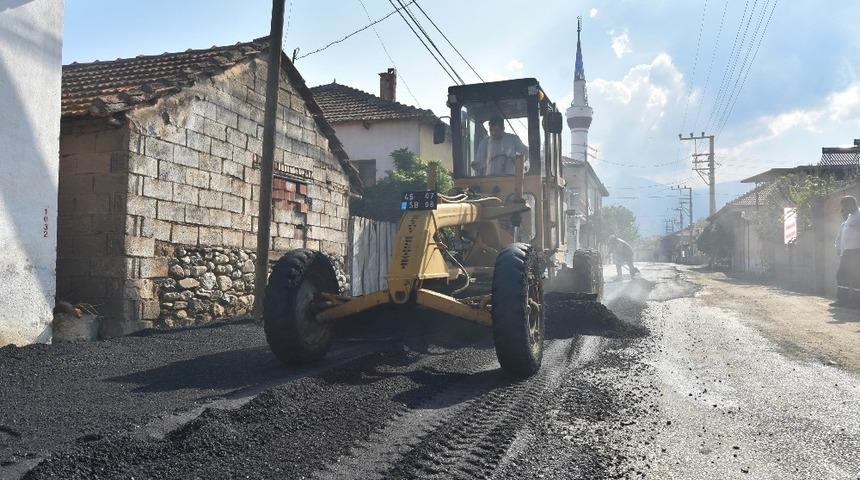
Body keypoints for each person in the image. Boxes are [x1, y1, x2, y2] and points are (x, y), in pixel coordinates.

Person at [834, 195, 860, 307]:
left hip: (857, 251)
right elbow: (843, 235)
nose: (844, 209)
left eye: (845, 206)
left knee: (856, 276)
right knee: (841, 275)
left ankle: (856, 302)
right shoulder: (850, 217)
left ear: (852, 204)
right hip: (847, 252)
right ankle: (842, 300)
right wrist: (840, 249)